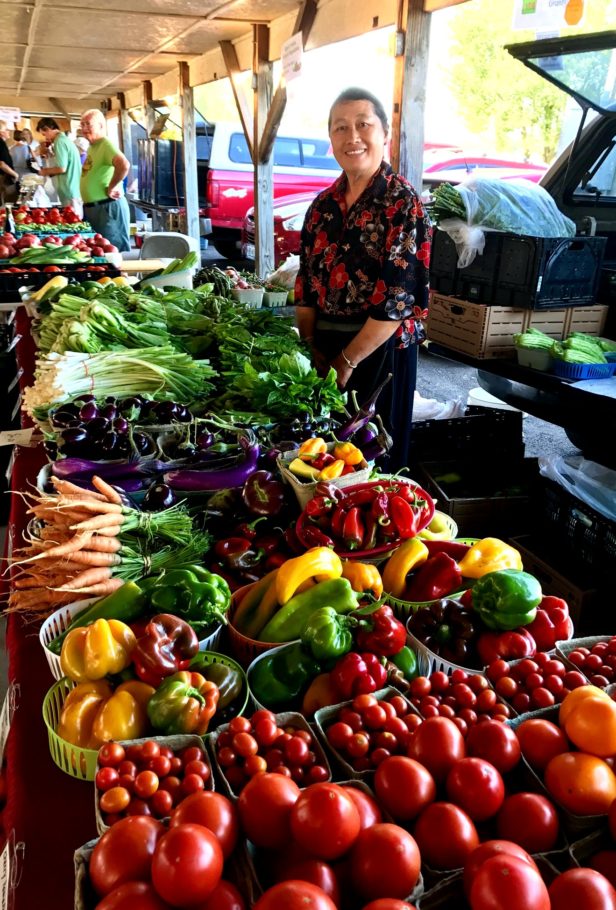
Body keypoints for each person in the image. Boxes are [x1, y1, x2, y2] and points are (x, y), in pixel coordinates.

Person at [294, 87, 432, 470]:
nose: (352, 137)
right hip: (324, 349)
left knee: (376, 461)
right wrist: (312, 348)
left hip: (379, 352)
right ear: (331, 139)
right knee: (321, 459)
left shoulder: (402, 203)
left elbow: (398, 303)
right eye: (340, 128)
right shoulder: (321, 206)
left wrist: (347, 360)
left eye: (363, 125)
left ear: (385, 133)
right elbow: (304, 286)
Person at [79, 109, 131, 252]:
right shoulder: (92, 146)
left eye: (88, 124)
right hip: (94, 208)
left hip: (107, 208)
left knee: (111, 254)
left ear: (101, 125)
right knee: (98, 254)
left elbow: (124, 165)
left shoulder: (106, 144)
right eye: (82, 124)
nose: (84, 128)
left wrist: (112, 186)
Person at [36, 117, 82, 217]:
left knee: (73, 223)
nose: (45, 138)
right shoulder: (63, 140)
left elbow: (62, 168)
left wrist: (45, 171)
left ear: (48, 129)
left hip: (69, 189)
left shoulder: (59, 142)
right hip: (72, 188)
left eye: (44, 134)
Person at [0, 121, 19, 204]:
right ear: (1, 132)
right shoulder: (0, 143)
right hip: (3, 179)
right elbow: (1, 164)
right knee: (7, 204)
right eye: (6, 129)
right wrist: (15, 174)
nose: (9, 132)